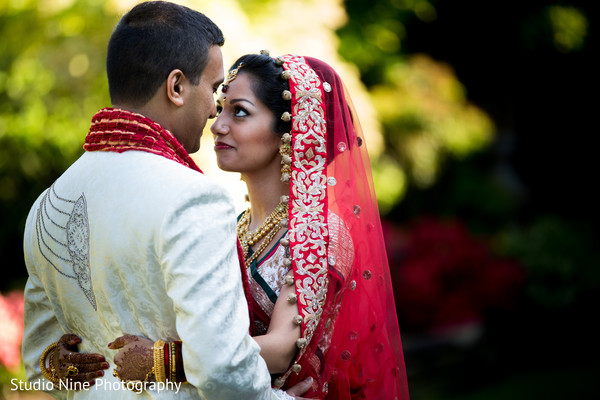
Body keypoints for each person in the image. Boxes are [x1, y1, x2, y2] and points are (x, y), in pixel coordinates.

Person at [78, 52, 411, 399]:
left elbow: (283, 347)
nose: (218, 125)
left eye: (239, 112)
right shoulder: (234, 226)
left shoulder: (319, 231)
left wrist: (164, 360)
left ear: (290, 130)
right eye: (221, 108)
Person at [21, 2, 310, 399]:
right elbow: (223, 368)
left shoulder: (48, 203)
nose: (213, 111)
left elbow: (41, 365)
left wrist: (79, 371)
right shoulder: (193, 198)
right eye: (213, 89)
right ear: (176, 87)